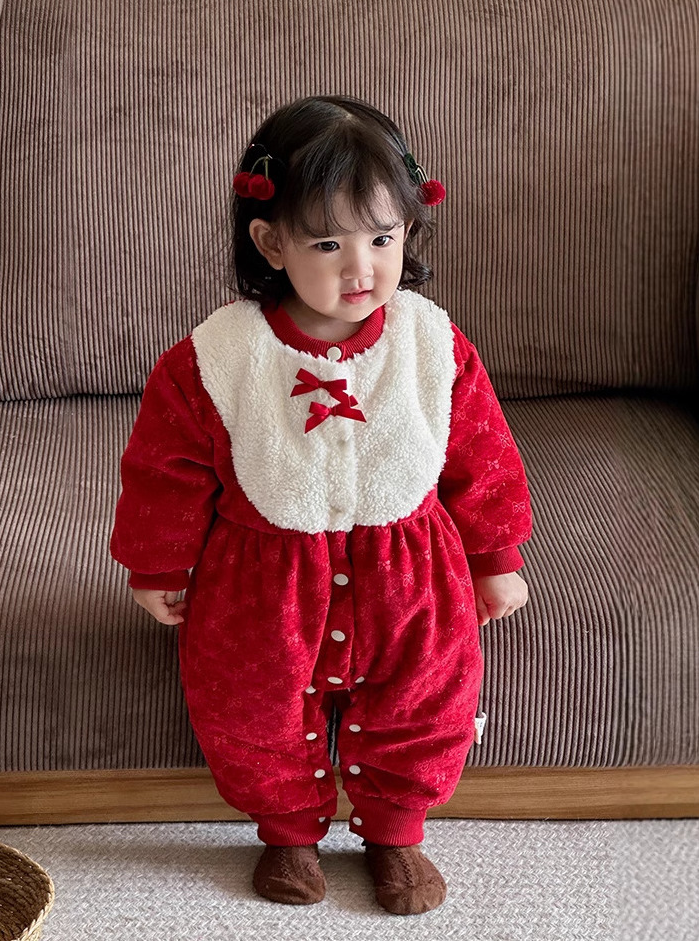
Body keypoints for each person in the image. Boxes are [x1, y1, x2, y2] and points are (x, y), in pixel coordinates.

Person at [110, 95, 532, 916]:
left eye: (382, 239)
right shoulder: (219, 355)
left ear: (410, 231)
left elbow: (479, 457)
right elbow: (166, 466)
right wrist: (157, 565)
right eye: (328, 244)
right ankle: (287, 833)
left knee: (421, 697)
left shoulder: (430, 341)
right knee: (253, 704)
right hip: (260, 579)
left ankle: (396, 831)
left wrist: (493, 558)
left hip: (409, 572)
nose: (360, 269)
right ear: (270, 243)